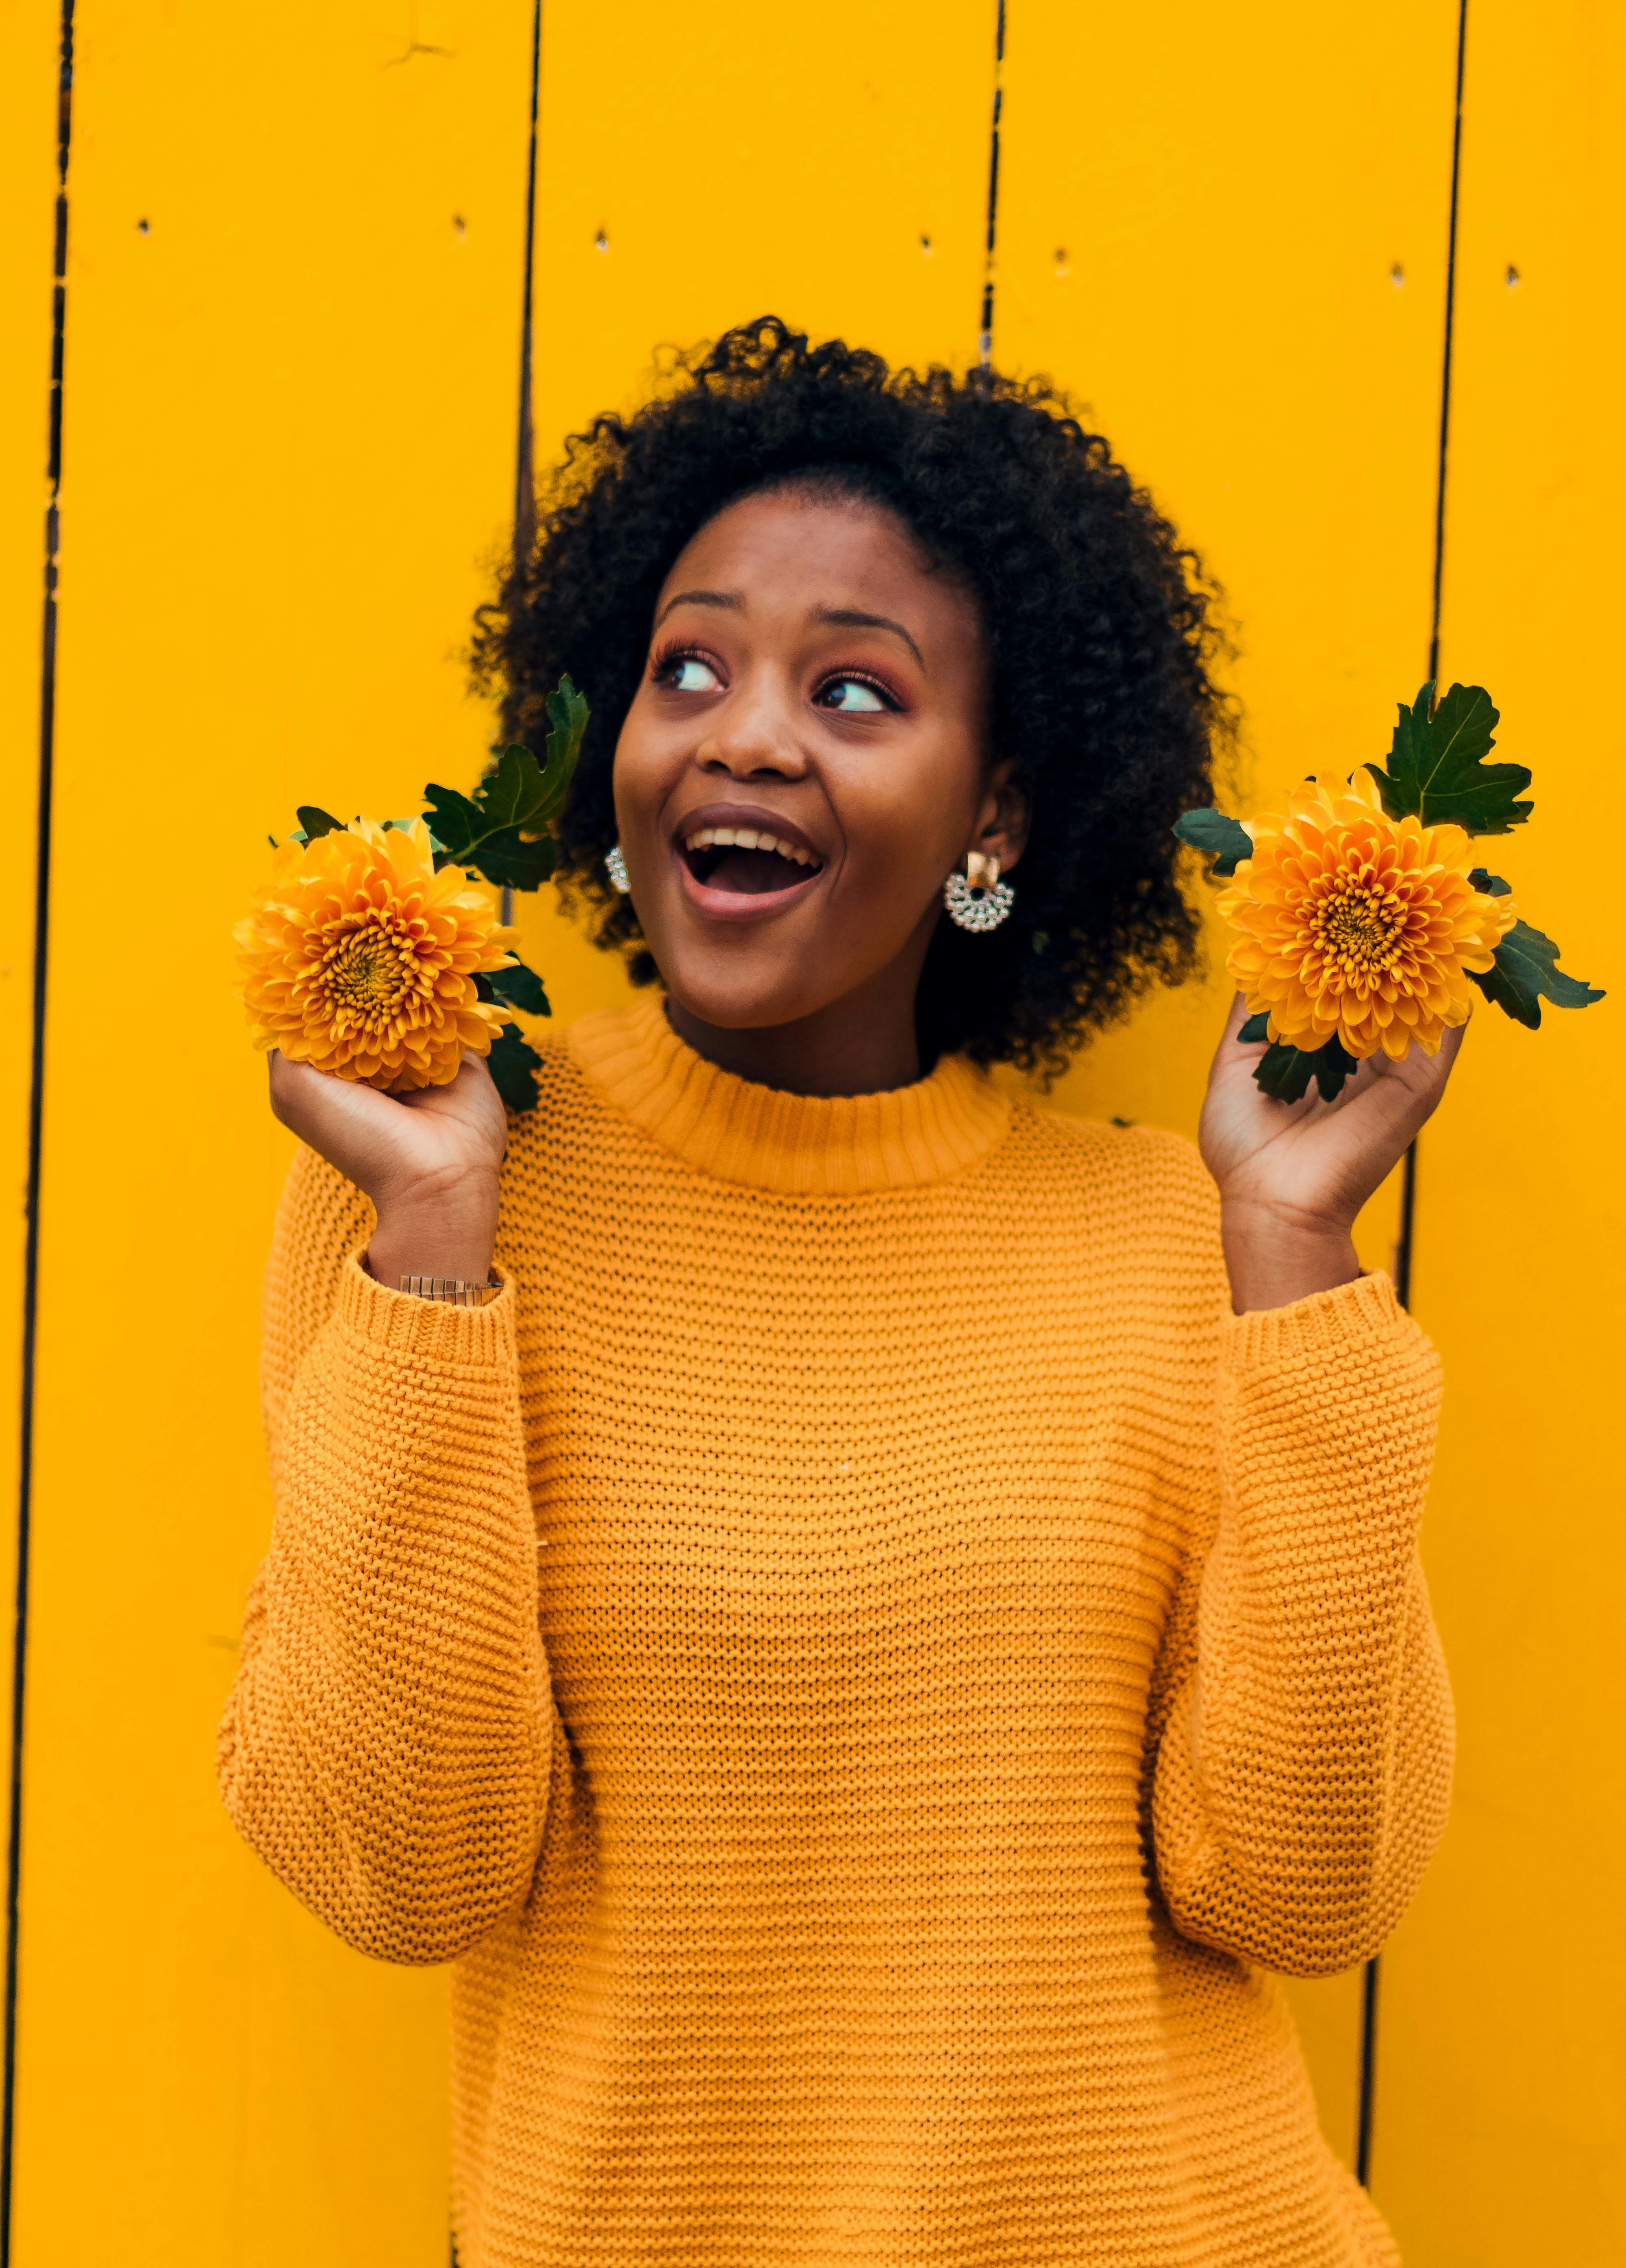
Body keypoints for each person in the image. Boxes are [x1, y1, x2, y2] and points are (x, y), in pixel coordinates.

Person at [221, 319, 1455, 2267]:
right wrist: (438, 1247)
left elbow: (1309, 1897)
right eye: (685, 667)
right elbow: (404, 1869)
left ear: (999, 820)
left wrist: (1296, 1259)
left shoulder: (1170, 1242)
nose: (746, 733)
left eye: (856, 692)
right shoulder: (426, 1193)